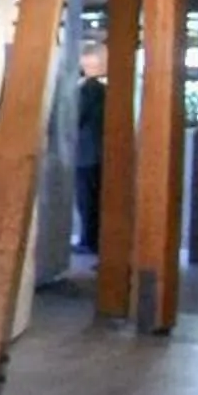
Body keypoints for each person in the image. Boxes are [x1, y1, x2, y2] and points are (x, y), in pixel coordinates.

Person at [72, 56, 107, 254]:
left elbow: (75, 119)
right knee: (96, 200)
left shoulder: (85, 92)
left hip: (86, 155)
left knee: (85, 200)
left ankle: (88, 240)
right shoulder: (103, 90)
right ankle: (93, 240)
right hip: (101, 153)